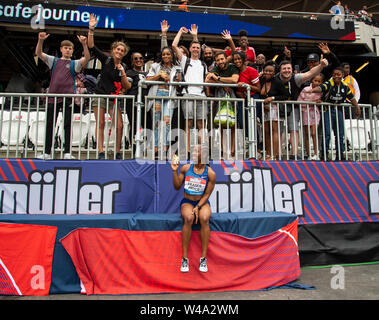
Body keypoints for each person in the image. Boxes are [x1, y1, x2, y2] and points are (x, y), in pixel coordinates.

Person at [35, 32, 90, 160]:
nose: (67, 50)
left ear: (72, 51)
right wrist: (40, 40)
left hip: (68, 98)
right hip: (53, 97)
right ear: (61, 49)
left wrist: (84, 44)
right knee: (50, 124)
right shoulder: (53, 60)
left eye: (70, 48)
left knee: (67, 125)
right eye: (65, 48)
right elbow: (39, 53)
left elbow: (86, 57)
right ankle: (47, 152)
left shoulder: (74, 63)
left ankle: (67, 152)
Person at [87, 14, 131, 160]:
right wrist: (91, 30)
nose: (119, 52)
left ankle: (117, 152)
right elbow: (91, 46)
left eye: (122, 51)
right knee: (100, 123)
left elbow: (127, 86)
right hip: (100, 95)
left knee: (119, 125)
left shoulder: (124, 66)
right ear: (113, 50)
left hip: (113, 99)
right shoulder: (106, 59)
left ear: (124, 54)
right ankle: (100, 151)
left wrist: (122, 72)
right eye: (117, 49)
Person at [171, 143, 216, 273]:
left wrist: (199, 207)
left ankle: (203, 258)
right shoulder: (186, 168)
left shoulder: (211, 174)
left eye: (197, 152)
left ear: (205, 155)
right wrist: (174, 171)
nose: (194, 154)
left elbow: (207, 194)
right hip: (187, 201)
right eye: (194, 151)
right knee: (188, 218)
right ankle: (185, 258)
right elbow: (177, 186)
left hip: (202, 202)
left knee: (205, 217)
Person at [276, 57, 329, 160]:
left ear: (292, 70)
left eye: (289, 68)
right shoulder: (276, 78)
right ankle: (278, 153)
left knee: (294, 129)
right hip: (278, 106)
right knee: (279, 130)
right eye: (284, 68)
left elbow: (310, 73)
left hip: (293, 107)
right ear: (280, 70)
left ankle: (294, 154)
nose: (287, 70)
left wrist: (321, 65)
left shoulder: (296, 78)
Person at [304, 67, 361, 161]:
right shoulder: (329, 83)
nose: (336, 76)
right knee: (326, 133)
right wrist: (312, 90)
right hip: (327, 110)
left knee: (340, 134)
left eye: (338, 74)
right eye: (334, 74)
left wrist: (357, 108)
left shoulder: (345, 86)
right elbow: (321, 88)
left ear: (342, 75)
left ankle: (340, 155)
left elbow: (352, 98)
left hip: (339, 111)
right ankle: (324, 155)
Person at [172, 26, 208, 157]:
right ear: (190, 49)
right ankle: (187, 151)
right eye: (193, 47)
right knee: (188, 123)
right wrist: (180, 32)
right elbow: (174, 46)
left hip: (201, 96)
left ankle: (203, 152)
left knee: (201, 125)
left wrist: (195, 36)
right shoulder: (185, 61)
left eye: (198, 47)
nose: (196, 49)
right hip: (188, 94)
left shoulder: (203, 64)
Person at [146, 46, 181, 158]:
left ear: (172, 56)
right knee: (156, 123)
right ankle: (156, 149)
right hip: (157, 95)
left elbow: (179, 86)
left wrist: (177, 81)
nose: (165, 56)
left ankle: (165, 149)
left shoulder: (177, 68)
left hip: (170, 96)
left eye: (168, 54)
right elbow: (147, 80)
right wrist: (159, 75)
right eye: (163, 54)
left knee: (167, 123)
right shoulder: (155, 66)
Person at [205, 51, 240, 158]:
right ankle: (224, 150)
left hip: (232, 98)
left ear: (226, 59)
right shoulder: (216, 69)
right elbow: (207, 81)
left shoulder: (232, 67)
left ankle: (233, 151)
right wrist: (223, 83)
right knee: (220, 124)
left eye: (222, 59)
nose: (220, 62)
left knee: (233, 124)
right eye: (218, 60)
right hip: (219, 99)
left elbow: (234, 80)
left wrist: (218, 79)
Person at [259, 61, 289, 161]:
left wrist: (272, 98)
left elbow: (285, 95)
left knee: (274, 131)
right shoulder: (262, 80)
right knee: (266, 131)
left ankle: (274, 155)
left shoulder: (277, 82)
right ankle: (268, 154)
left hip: (274, 108)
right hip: (265, 109)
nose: (268, 73)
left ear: (274, 72)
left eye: (270, 71)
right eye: (266, 71)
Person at [125, 52, 150, 155]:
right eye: (135, 59)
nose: (138, 60)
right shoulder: (129, 72)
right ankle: (135, 150)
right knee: (135, 125)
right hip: (133, 103)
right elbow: (127, 86)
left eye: (140, 58)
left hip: (147, 103)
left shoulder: (148, 73)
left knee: (148, 126)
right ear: (132, 61)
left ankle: (148, 150)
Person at [233, 51, 261, 142]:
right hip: (242, 100)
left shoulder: (251, 71)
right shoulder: (234, 70)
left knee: (251, 122)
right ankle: (250, 143)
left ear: (244, 59)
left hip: (253, 98)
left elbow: (258, 89)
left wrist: (246, 86)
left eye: (239, 59)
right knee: (242, 122)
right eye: (235, 59)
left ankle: (257, 146)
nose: (237, 61)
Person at [297, 74, 324, 160]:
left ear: (321, 82)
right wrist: (312, 102)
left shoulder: (322, 91)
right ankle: (309, 154)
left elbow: (323, 100)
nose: (317, 82)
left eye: (319, 81)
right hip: (306, 112)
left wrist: (320, 102)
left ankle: (316, 153)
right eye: (315, 80)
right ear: (312, 81)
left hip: (315, 112)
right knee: (307, 134)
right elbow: (299, 101)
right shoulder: (306, 89)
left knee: (314, 133)